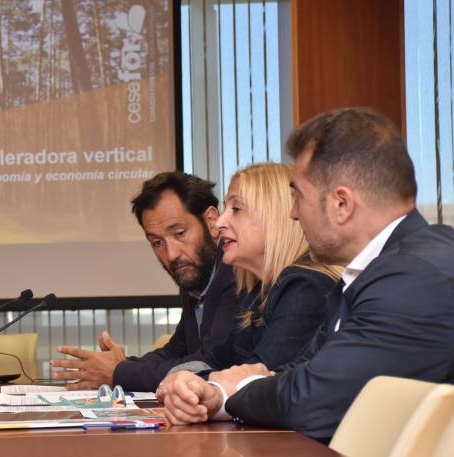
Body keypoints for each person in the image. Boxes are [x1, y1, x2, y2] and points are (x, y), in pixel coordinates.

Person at [159, 107, 454, 442]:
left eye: (298, 195)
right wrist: (220, 398)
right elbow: (302, 371)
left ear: (342, 204)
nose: (293, 213)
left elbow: (313, 398)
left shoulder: (412, 278)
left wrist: (235, 390)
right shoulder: (377, 271)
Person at [156, 163, 340, 402]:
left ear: (275, 216)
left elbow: (256, 381)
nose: (220, 222)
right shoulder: (257, 293)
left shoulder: (305, 289)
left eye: (236, 209)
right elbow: (216, 362)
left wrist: (195, 383)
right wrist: (183, 379)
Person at [50, 172, 240, 392]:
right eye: (157, 242)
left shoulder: (235, 272)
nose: (171, 254)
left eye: (179, 233)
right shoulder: (197, 273)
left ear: (211, 221)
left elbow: (210, 363)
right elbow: (177, 350)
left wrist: (118, 372)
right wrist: (118, 366)